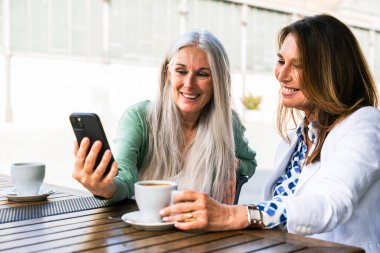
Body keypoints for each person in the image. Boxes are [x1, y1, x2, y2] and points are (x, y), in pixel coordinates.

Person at [160, 14, 380, 252]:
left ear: (331, 71)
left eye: (298, 65)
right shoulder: (294, 141)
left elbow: (329, 204)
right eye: (281, 61)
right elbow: (282, 221)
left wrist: (235, 215)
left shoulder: (364, 124)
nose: (282, 75)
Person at [72, 31, 257, 204]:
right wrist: (105, 188)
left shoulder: (227, 122)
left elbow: (250, 163)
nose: (189, 83)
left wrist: (232, 164)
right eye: (181, 71)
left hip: (202, 231)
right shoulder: (139, 118)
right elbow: (125, 177)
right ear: (168, 73)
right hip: (147, 231)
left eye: (202, 74)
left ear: (217, 81)